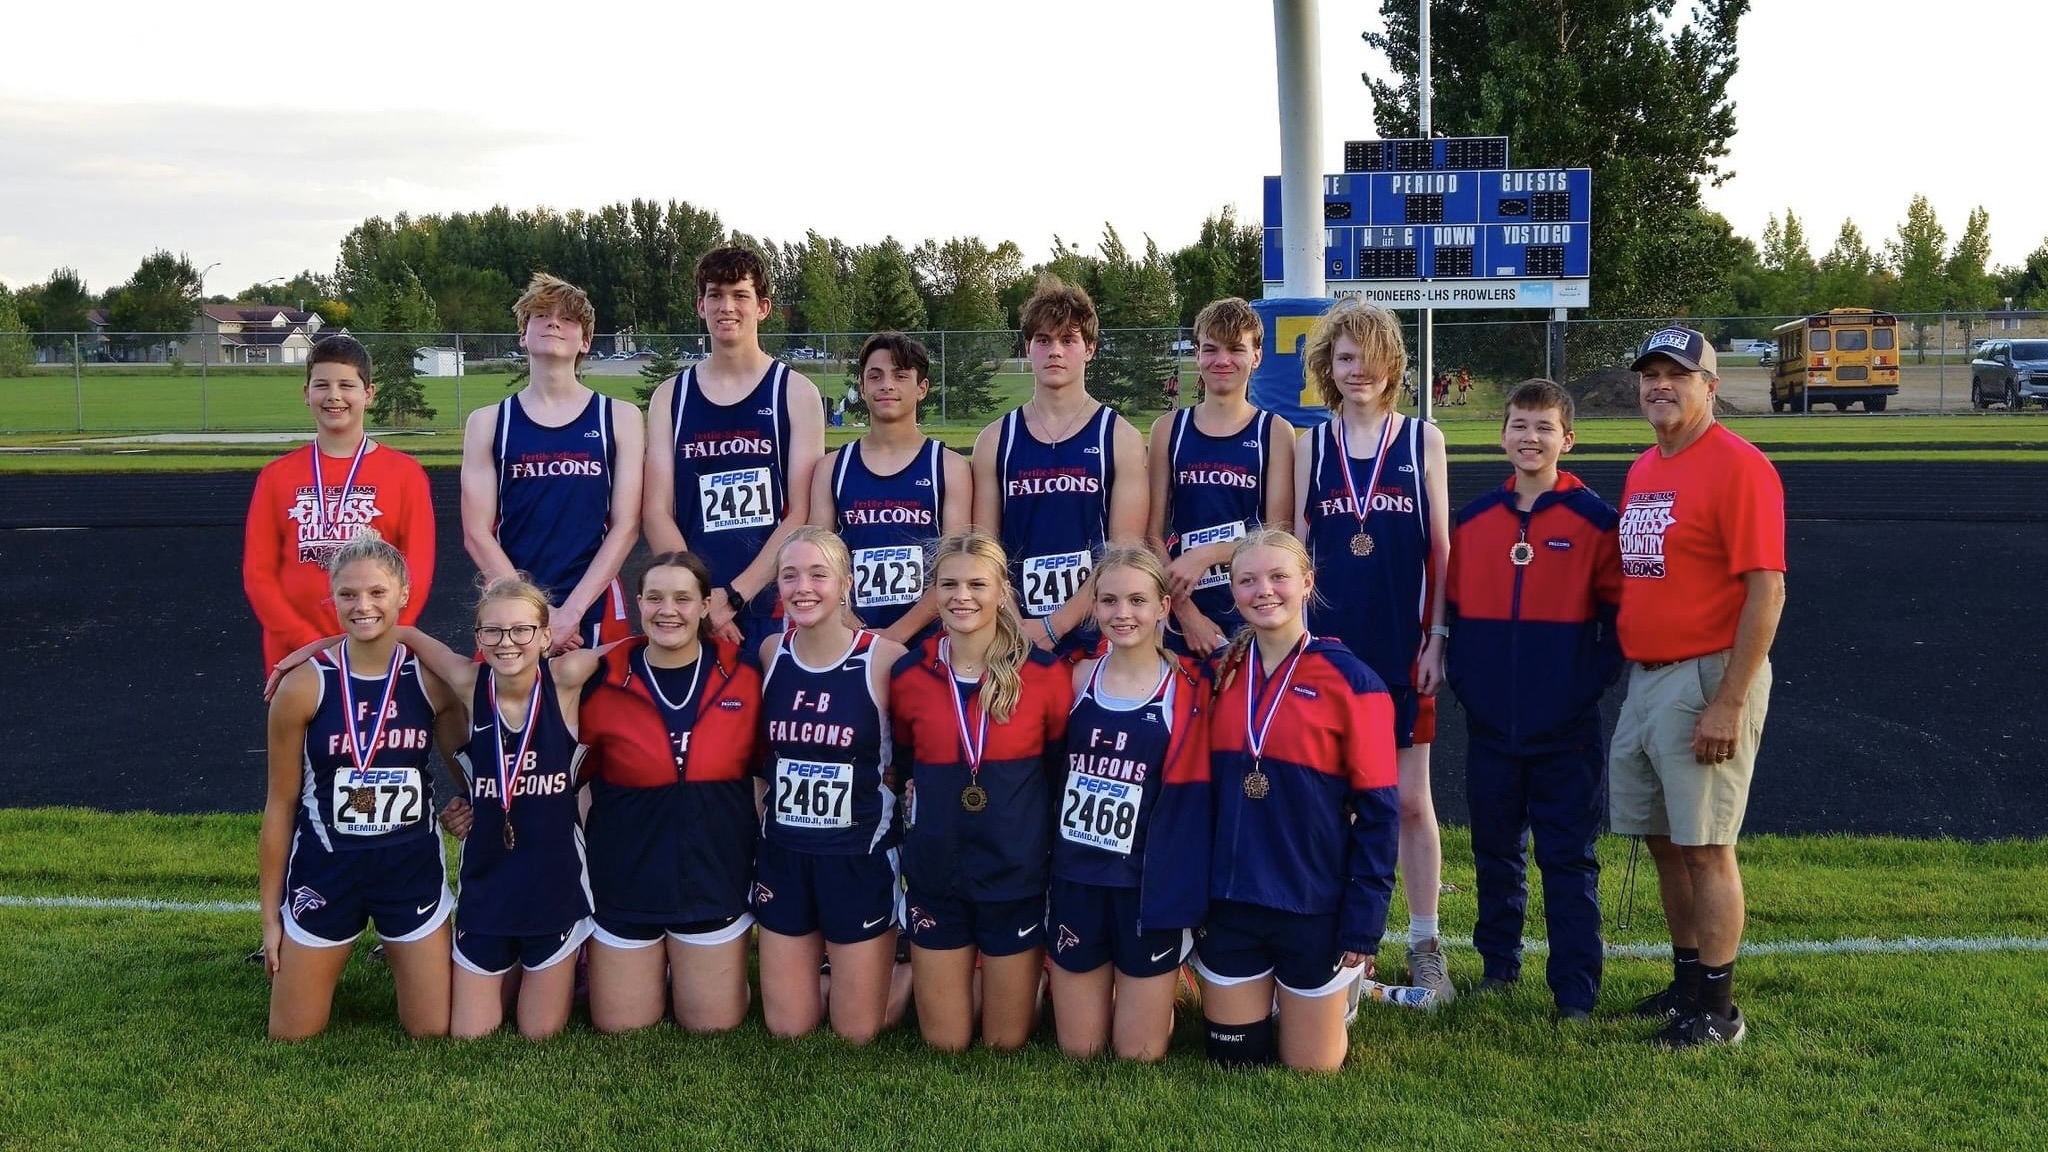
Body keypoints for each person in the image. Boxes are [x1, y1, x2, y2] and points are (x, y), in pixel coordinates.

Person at [1611, 327, 1786, 1048]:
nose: (1660, 385)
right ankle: (1687, 985)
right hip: (1647, 679)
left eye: (1676, 376)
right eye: (1650, 374)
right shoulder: (1645, 466)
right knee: (1662, 838)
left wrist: (1729, 701)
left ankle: (1717, 1012)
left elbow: (1766, 590)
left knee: (1707, 844)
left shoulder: (1739, 468)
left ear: (1710, 387)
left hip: (1707, 674)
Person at [1293, 299, 1456, 1002]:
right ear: (1328, 366)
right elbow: (1297, 549)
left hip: (1400, 649)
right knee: (1330, 802)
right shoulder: (1311, 445)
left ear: (1394, 363)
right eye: (1345, 357)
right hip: (1328, 654)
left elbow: (1441, 548)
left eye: (1370, 356)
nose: (1359, 370)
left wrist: (1438, 636)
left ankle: (1425, 944)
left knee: (1411, 803)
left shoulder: (1424, 440)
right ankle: (1346, 946)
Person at [1445, 379, 1622, 1022]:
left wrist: (1580, 689)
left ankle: (1574, 989)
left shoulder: (1597, 522)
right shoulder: (1474, 523)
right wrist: (1472, 685)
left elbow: (1615, 626)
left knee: (1568, 857)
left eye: (1544, 427)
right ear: (1502, 436)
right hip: (1493, 724)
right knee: (1494, 849)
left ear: (1567, 440)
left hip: (1566, 728)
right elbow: (1456, 616)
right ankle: (1499, 964)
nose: (1531, 438)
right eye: (1519, 425)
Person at [1195, 529, 1399, 1072]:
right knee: (1235, 1062)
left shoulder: (1355, 682)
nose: (1264, 591)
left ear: (1307, 582)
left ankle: (1343, 991)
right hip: (1231, 900)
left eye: (1279, 577)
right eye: (1248, 580)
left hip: (1313, 903)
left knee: (1313, 1069)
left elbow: (1379, 812)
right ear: (1233, 591)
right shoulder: (1215, 676)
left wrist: (1364, 920)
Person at [259, 530, 458, 1040]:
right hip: (328, 868)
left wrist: (472, 804)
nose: (362, 605)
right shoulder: (304, 684)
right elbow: (280, 805)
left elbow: (468, 768)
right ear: (332, 597)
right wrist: (269, 918)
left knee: (432, 1030)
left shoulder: (432, 679)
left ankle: (412, 940)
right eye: (348, 594)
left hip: (409, 866)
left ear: (403, 594)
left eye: (377, 593)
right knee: (292, 1033)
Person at [890, 530, 1073, 1052]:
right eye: (948, 585)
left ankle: (1029, 982)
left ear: (1001, 591)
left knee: (1003, 1043)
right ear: (933, 591)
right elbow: (905, 763)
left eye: (976, 584)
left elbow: (1057, 769)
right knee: (945, 1042)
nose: (961, 597)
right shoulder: (908, 674)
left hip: (1013, 873)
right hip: (935, 872)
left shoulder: (1045, 674)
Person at [573, 551, 764, 1035]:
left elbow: (765, 775)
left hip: (713, 879)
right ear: (639, 603)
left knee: (711, 1025)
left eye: (683, 598)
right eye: (654, 598)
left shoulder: (744, 676)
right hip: (625, 880)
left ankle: (702, 966)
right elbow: (570, 782)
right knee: (621, 1026)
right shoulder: (601, 678)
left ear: (706, 606)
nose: (668, 610)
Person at [403, 576, 600, 1039]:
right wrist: (306, 652)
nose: (506, 642)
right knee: (470, 1034)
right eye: (491, 631)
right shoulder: (469, 681)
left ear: (547, 636)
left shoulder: (566, 678)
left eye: (521, 630)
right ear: (477, 638)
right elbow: (400, 632)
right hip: (488, 882)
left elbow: (645, 640)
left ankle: (576, 964)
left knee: (539, 1033)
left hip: (555, 884)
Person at [1047, 546, 1210, 1061]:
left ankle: (1171, 980)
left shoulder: (1188, 686)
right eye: (1110, 601)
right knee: (1081, 1049)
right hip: (1077, 877)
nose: (1123, 614)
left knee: (1139, 1055)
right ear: (1092, 607)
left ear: (1164, 607)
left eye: (1138, 601)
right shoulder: (1075, 680)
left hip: (1147, 886)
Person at [752, 527, 909, 1044]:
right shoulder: (772, 654)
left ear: (845, 583)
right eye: (790, 575)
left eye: (819, 574)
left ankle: (906, 971)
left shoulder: (884, 658)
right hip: (785, 854)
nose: (804, 587)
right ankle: (833, 970)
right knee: (788, 1028)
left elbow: (911, 751)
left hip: (857, 857)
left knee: (857, 1032)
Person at [644, 246, 826, 650]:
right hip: (695, 610)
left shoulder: (795, 392)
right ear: (700, 305)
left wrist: (736, 595)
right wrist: (703, 598)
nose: (726, 306)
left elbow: (802, 511)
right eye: (715, 295)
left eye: (739, 295)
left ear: (762, 307)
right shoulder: (670, 397)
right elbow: (657, 511)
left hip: (775, 603)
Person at [460, 273, 644, 654]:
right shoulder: (489, 422)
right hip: (512, 613)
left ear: (586, 341)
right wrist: (536, 614)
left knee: (600, 713)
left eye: (568, 318)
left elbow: (626, 526)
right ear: (523, 335)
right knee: (509, 714)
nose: (554, 322)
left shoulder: (619, 418)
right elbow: (476, 533)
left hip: (594, 609)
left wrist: (570, 613)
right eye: (541, 315)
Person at [971, 274, 1147, 659]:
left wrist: (1058, 624)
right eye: (1044, 340)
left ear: (1090, 349)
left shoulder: (1119, 438)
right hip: (1014, 628)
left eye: (1068, 340)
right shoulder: (994, 440)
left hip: (1096, 630)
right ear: (1028, 348)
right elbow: (984, 550)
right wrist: (1014, 621)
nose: (1055, 351)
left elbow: (1122, 551)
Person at [244, 334, 435, 674]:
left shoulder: (405, 474)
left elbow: (417, 569)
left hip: (378, 648)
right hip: (295, 653)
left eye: (346, 385)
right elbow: (258, 576)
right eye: (322, 385)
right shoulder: (276, 476)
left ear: (369, 394)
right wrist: (307, 641)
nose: (334, 396)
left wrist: (384, 634)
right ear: (306, 394)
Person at [1146, 297, 1294, 659]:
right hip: (1184, 612)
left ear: (1256, 357)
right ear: (1197, 354)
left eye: (1235, 349)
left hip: (1253, 608)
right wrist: (1186, 614)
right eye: (1210, 349)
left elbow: (1278, 535)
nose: (1222, 360)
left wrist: (1206, 554)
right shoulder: (1168, 430)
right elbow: (1150, 535)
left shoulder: (1274, 431)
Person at [809, 332, 971, 646]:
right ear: (862, 386)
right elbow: (818, 563)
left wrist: (896, 635)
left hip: (927, 642)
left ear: (921, 388)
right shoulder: (831, 468)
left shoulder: (949, 467)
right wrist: (850, 622)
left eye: (900, 376)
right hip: (849, 637)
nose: (887, 385)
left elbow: (957, 567)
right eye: (876, 376)